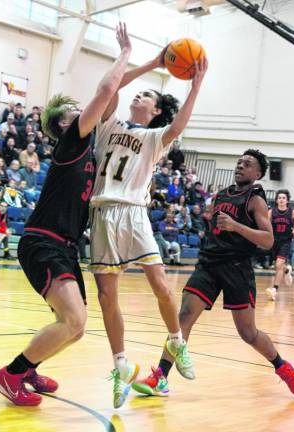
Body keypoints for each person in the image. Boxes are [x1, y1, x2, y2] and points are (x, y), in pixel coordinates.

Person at [0, 23, 132, 407]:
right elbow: (106, 91)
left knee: (75, 329)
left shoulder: (86, 146)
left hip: (64, 246)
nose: (87, 111)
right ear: (64, 124)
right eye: (77, 111)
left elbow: (112, 96)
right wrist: (124, 53)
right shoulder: (72, 142)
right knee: (74, 321)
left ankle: (29, 368)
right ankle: (11, 374)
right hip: (45, 241)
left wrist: (152, 62)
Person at [133, 149, 294, 398]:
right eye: (239, 162)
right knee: (184, 316)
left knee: (248, 333)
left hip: (237, 268)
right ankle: (160, 377)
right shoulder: (222, 196)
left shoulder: (255, 199)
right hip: (209, 264)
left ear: (258, 174)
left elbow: (268, 240)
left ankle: (282, 366)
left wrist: (236, 226)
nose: (240, 166)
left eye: (247, 164)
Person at [89, 51, 208, 408]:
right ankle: (120, 366)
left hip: (135, 213)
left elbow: (178, 126)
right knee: (107, 297)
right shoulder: (110, 123)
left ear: (155, 110)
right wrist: (152, 64)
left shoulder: (156, 137)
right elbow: (112, 86)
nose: (138, 97)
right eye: (137, 95)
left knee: (160, 285)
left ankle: (177, 341)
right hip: (103, 212)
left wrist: (196, 86)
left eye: (146, 96)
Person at [266, 189, 294, 301]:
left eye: (283, 198)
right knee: (279, 266)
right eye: (279, 198)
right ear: (276, 200)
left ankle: (274, 290)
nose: (281, 200)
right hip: (274, 241)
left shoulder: (293, 212)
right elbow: (267, 226)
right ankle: (287, 270)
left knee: (278, 265)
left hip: (286, 242)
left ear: (287, 200)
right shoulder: (271, 212)